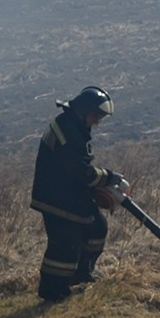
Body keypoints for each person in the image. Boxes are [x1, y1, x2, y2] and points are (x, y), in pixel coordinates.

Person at [30, 86, 127, 303]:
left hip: (69, 194)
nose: (97, 122)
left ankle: (80, 276)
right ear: (82, 111)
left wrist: (101, 182)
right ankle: (52, 291)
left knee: (97, 229)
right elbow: (80, 171)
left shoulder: (71, 125)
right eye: (95, 116)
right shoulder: (68, 131)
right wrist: (109, 178)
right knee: (65, 246)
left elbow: (77, 170)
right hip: (56, 198)